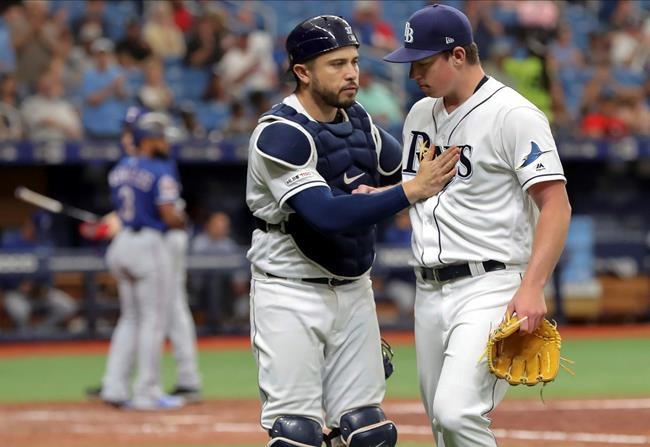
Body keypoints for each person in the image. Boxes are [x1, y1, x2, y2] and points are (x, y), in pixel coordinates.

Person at [246, 15, 459, 447]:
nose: (351, 74)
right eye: (336, 64)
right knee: (296, 434)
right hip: (290, 292)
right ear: (302, 72)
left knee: (370, 431)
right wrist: (408, 191)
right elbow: (324, 214)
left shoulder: (359, 121)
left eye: (355, 62)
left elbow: (411, 169)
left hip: (353, 289)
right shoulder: (280, 134)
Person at [382, 5, 572, 446]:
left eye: (424, 62)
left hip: (491, 286)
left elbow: (556, 205)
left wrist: (533, 286)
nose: (414, 75)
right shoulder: (418, 116)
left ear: (458, 56)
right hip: (427, 291)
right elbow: (422, 194)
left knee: (457, 411)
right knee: (443, 427)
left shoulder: (513, 114)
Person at [86, 106, 202, 404]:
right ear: (148, 139)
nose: (165, 141)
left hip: (122, 242)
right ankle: (147, 390)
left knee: (132, 317)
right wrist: (184, 220)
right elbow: (167, 213)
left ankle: (114, 386)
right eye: (159, 137)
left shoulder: (121, 166)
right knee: (154, 318)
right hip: (152, 242)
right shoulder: (159, 167)